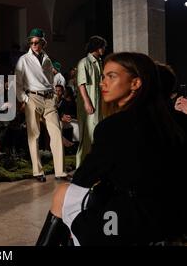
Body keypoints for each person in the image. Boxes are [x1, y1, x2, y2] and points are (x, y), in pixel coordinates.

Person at [36, 52, 186, 246]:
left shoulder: (115, 126)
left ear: (136, 83)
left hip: (128, 224)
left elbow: (83, 178)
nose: (102, 83)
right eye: (103, 76)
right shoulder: (177, 121)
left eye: (111, 76)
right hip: (175, 218)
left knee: (63, 194)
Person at [15, 28, 69, 182]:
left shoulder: (47, 59)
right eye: (31, 42)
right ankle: (38, 172)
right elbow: (17, 82)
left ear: (43, 43)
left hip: (48, 99)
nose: (33, 44)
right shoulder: (23, 60)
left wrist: (54, 96)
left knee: (57, 133)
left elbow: (50, 80)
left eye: (36, 42)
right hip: (32, 98)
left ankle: (60, 172)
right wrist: (25, 99)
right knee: (34, 136)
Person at [75, 36, 107, 168]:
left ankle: (93, 167)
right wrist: (87, 103)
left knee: (96, 136)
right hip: (89, 106)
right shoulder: (84, 62)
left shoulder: (99, 62)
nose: (105, 49)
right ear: (98, 47)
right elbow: (81, 84)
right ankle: (80, 168)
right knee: (87, 137)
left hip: (98, 105)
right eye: (103, 47)